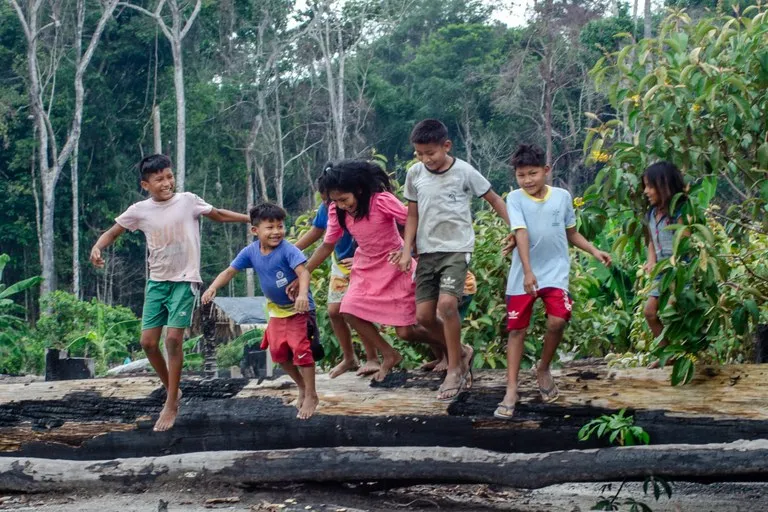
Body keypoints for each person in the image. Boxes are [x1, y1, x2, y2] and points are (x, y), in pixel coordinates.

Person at [90, 154, 250, 431]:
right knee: (148, 343)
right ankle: (173, 388)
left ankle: (171, 402)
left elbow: (219, 215)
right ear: (146, 185)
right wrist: (97, 247)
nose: (166, 183)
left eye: (169, 176)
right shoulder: (140, 210)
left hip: (185, 280)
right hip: (157, 282)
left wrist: (250, 218)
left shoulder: (187, 201)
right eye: (159, 179)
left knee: (173, 338)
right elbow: (113, 232)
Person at [494, 144, 612, 420]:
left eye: (533, 173)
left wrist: (595, 250)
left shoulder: (562, 197)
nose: (528, 180)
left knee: (558, 320)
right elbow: (520, 232)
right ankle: (511, 389)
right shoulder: (515, 198)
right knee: (516, 331)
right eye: (521, 175)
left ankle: (543, 367)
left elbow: (571, 233)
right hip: (523, 274)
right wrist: (527, 271)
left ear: (546, 171)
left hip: (556, 272)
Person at [397, 119, 510, 401]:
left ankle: (455, 368)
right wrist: (406, 248)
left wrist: (516, 228)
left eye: (431, 153)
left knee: (447, 305)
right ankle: (461, 350)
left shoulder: (464, 172)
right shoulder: (414, 174)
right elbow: (412, 214)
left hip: (456, 249)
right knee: (423, 317)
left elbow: (494, 199)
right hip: (426, 252)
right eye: (420, 154)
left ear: (446, 146)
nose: (426, 159)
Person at [305, 160, 445, 382]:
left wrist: (407, 250)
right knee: (349, 309)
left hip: (394, 264)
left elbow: (412, 219)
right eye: (336, 201)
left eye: (344, 199)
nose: (341, 205)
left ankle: (454, 350)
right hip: (366, 266)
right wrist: (306, 271)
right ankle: (389, 354)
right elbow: (327, 244)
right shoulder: (336, 211)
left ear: (358, 190)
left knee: (406, 332)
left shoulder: (380, 201)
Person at [202, 203, 320, 420]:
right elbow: (230, 271)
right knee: (278, 353)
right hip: (276, 312)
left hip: (299, 310)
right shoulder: (250, 252)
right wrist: (213, 287)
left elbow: (303, 273)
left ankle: (311, 394)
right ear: (255, 230)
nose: (276, 232)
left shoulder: (288, 250)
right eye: (270, 227)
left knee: (301, 350)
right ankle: (302, 386)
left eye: (280, 226)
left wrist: (303, 295)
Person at [293, 185, 379, 379]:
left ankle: (373, 358)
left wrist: (362, 257)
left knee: (357, 310)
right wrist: (287, 251)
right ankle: (349, 358)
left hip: (365, 262)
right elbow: (316, 232)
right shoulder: (328, 208)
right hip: (340, 264)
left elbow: (378, 236)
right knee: (334, 311)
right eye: (324, 199)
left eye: (330, 200)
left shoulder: (357, 206)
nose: (327, 203)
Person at [642, 161, 687, 369]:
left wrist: (674, 264)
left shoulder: (681, 210)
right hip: (663, 271)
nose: (646, 191)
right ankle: (667, 353)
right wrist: (651, 260)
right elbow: (651, 240)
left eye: (650, 186)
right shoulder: (651, 214)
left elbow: (685, 240)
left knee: (675, 311)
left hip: (682, 270)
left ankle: (689, 355)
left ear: (665, 186)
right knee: (650, 312)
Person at [420, 271, 476, 372]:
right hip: (436, 289)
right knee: (425, 318)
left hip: (461, 287)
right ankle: (441, 357)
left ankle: (449, 358)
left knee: (439, 317)